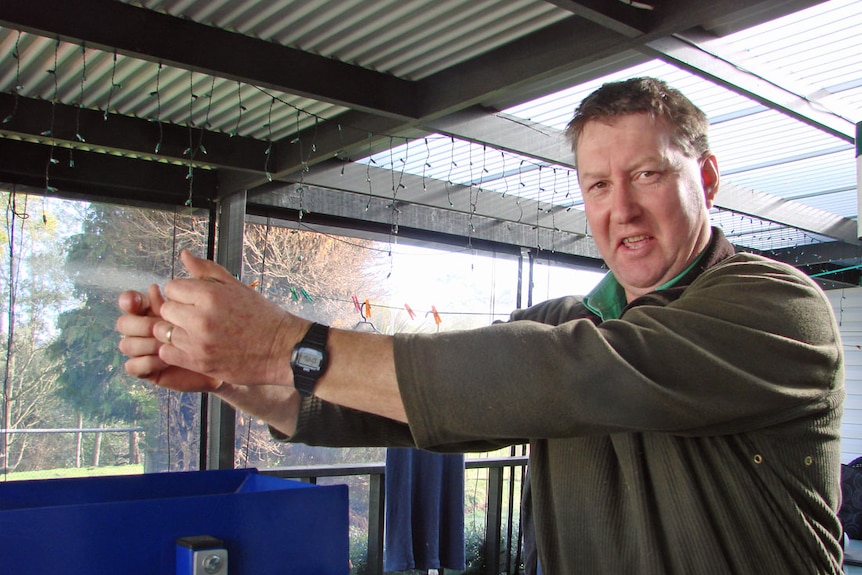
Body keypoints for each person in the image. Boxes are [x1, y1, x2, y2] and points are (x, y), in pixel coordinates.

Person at [116, 77, 846, 574]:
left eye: (648, 174)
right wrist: (241, 373)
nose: (620, 207)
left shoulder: (777, 309)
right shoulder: (568, 321)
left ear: (708, 180)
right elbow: (413, 410)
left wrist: (285, 341)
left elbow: (563, 376)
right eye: (598, 184)